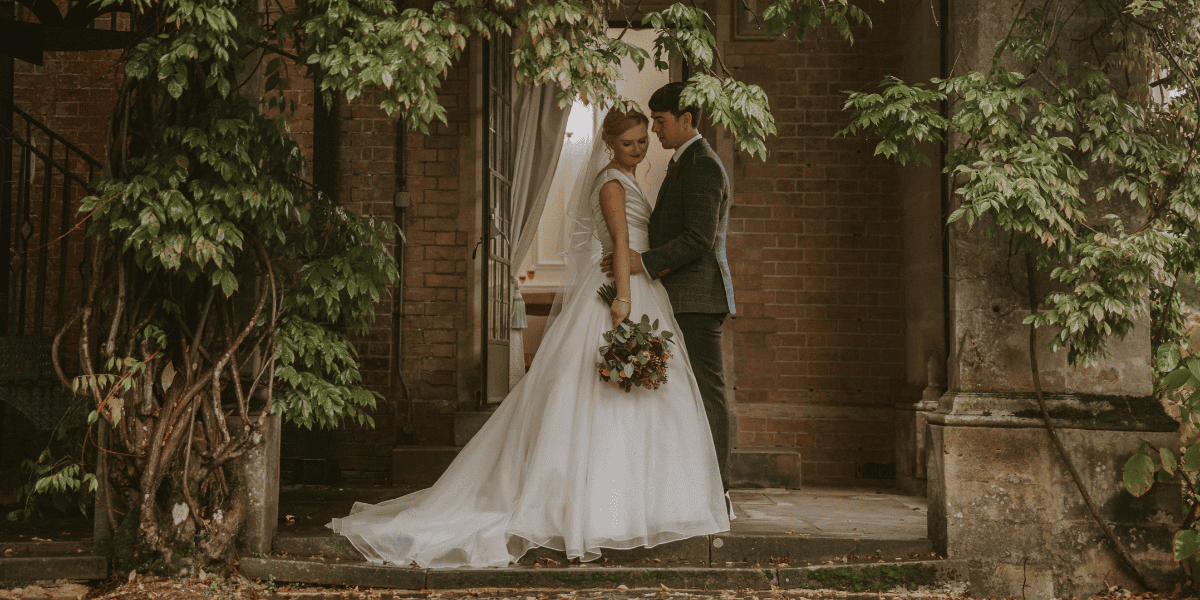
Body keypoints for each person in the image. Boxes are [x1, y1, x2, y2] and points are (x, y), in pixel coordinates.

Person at [327, 108, 729, 569]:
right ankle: (596, 507)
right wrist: (621, 300)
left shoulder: (628, 177)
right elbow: (620, 243)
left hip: (640, 285)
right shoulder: (613, 182)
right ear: (609, 144)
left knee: (640, 399)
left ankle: (639, 502)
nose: (638, 149)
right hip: (624, 291)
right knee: (606, 399)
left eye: (642, 141)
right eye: (628, 143)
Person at [602, 82, 737, 505]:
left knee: (708, 395)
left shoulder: (703, 165)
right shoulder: (684, 162)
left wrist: (643, 261)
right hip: (678, 296)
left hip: (698, 298)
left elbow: (699, 238)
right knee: (685, 395)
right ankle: (687, 487)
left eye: (659, 122)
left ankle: (721, 492)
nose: (655, 132)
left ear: (685, 120)